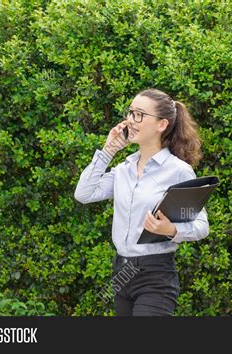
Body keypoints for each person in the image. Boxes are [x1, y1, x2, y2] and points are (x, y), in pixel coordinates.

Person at [74, 88, 210, 316]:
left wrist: (171, 229)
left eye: (139, 114)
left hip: (155, 276)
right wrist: (108, 151)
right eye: (130, 113)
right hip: (122, 273)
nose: (130, 120)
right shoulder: (124, 169)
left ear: (161, 125)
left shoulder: (178, 171)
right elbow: (84, 193)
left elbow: (202, 226)